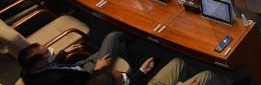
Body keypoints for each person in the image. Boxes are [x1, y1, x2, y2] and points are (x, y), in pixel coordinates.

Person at [17, 32, 145, 85]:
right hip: (88, 74)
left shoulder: (27, 70)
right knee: (113, 37)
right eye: (45, 51)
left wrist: (64, 53)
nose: (48, 48)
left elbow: (50, 66)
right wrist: (98, 69)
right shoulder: (56, 79)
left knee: (117, 47)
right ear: (39, 61)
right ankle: (133, 36)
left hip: (78, 66)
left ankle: (126, 49)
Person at [83, 57, 228, 85]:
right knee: (206, 76)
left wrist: (141, 71)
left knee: (178, 63)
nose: (122, 74)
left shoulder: (96, 80)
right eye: (121, 78)